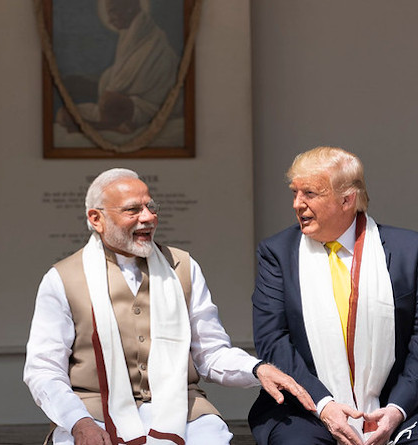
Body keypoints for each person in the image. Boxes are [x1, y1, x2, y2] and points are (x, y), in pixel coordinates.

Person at [24, 168, 315, 445]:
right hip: (93, 413)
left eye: (151, 207)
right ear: (96, 218)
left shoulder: (182, 267)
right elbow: (44, 370)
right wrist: (78, 422)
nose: (148, 217)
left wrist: (257, 369)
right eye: (133, 210)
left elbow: (210, 352)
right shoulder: (62, 278)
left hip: (184, 410)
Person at [249, 147, 418, 445]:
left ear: (347, 199)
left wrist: (396, 410)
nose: (297, 204)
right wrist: (324, 406)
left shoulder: (409, 250)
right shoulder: (277, 253)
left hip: (399, 403)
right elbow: (272, 340)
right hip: (307, 407)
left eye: (309, 194)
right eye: (294, 192)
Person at [56, 0, 182, 135]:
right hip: (119, 109)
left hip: (147, 107)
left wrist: (110, 96)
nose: (109, 20)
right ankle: (108, 127)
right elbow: (117, 82)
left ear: (129, 8)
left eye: (113, 12)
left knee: (109, 101)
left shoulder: (152, 40)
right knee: (63, 114)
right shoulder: (128, 36)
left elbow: (124, 87)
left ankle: (98, 126)